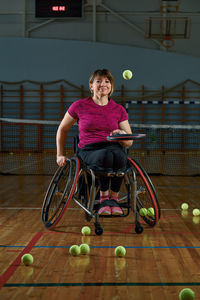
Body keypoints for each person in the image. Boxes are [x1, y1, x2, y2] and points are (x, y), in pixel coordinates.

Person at [56, 69, 133, 216]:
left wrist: (122, 134)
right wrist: (60, 154)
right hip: (88, 150)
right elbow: (62, 129)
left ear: (111, 86)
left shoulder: (119, 109)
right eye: (98, 81)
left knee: (121, 157)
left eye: (107, 81)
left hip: (112, 147)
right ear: (91, 85)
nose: (103, 84)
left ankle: (114, 199)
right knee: (107, 156)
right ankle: (103, 198)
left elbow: (128, 142)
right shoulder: (79, 106)